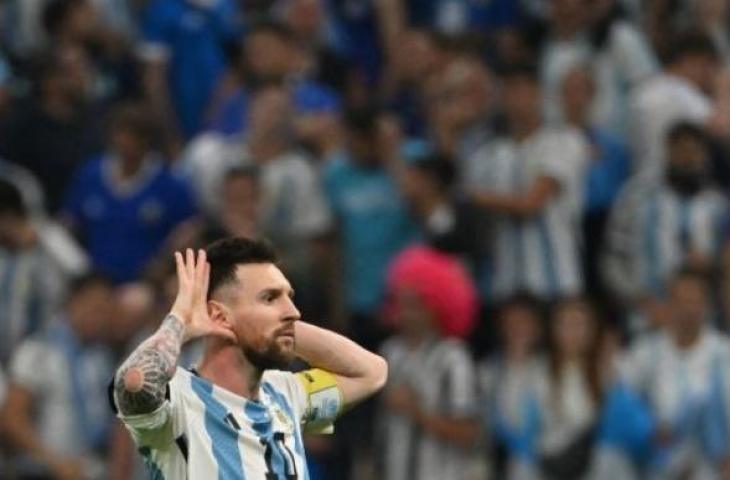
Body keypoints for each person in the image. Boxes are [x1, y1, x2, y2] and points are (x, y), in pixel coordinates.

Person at [111, 237, 388, 478]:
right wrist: (180, 320)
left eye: (289, 297)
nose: (293, 311)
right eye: (270, 298)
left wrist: (280, 325)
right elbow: (137, 382)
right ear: (219, 316)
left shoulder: (287, 394)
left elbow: (372, 372)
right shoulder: (178, 402)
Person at [2, 272, 117, 480]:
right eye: (96, 308)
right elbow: (11, 419)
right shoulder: (37, 350)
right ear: (74, 302)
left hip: (90, 470)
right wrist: (53, 462)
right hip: (41, 472)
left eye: (107, 311)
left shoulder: (101, 358)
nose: (102, 317)